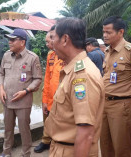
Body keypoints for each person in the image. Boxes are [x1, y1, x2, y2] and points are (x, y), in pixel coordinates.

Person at [44, 17, 105, 157]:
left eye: (54, 38)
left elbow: (85, 134)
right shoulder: (72, 70)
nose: (52, 44)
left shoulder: (81, 76)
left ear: (65, 39)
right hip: (62, 148)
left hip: (71, 151)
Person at [0, 28, 42, 157]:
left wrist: (26, 91)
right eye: (9, 39)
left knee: (24, 130)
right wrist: (1, 88)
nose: (9, 42)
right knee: (8, 129)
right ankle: (6, 152)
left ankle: (25, 153)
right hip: (6, 100)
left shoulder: (32, 58)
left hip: (23, 101)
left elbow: (38, 79)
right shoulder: (6, 55)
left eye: (12, 40)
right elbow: (1, 74)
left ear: (22, 42)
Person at [100, 16, 131, 157]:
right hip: (104, 104)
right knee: (105, 146)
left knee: (121, 148)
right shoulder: (107, 51)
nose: (104, 35)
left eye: (108, 32)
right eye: (103, 32)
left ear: (120, 32)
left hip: (123, 105)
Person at [34, 25, 64, 153]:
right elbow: (47, 78)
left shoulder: (67, 55)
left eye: (50, 39)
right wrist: (44, 100)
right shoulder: (50, 55)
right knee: (47, 121)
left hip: (62, 98)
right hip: (49, 96)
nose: (47, 43)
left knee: (61, 124)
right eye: (47, 40)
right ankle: (46, 141)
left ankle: (57, 144)